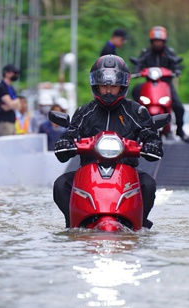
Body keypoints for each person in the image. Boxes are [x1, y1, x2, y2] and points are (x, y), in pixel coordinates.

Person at [52, 54, 163, 229]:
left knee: (148, 184)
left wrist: (152, 144)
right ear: (96, 85)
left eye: (114, 85)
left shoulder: (136, 112)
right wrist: (65, 142)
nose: (109, 90)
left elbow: (149, 134)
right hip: (88, 172)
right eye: (104, 85)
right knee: (60, 185)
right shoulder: (84, 112)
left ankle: (139, 225)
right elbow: (71, 133)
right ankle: (72, 225)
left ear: (123, 86)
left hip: (126, 173)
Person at [132, 26, 189, 143]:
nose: (157, 44)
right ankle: (134, 129)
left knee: (178, 106)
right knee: (135, 101)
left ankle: (180, 130)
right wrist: (136, 71)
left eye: (159, 41)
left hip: (166, 85)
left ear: (164, 42)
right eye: (155, 41)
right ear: (151, 42)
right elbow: (139, 63)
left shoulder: (169, 53)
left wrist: (176, 70)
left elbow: (175, 64)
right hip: (149, 85)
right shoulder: (146, 53)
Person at [0, 64, 21, 137]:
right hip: (4, 121)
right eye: (14, 73)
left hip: (12, 121)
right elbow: (11, 104)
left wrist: (12, 104)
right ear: (6, 73)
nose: (16, 75)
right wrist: (14, 103)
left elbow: (18, 106)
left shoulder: (11, 88)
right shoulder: (1, 87)